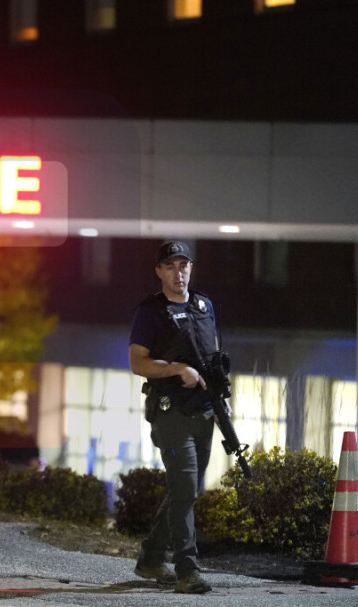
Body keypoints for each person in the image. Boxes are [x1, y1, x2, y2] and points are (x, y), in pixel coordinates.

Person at [128, 240, 219, 594]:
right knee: (183, 488)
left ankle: (151, 558)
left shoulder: (204, 306)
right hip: (170, 412)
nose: (178, 273)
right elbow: (138, 363)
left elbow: (213, 358)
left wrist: (220, 400)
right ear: (159, 271)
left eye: (183, 265)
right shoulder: (150, 311)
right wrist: (177, 369)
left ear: (191, 268)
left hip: (204, 410)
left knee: (186, 490)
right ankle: (187, 570)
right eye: (170, 266)